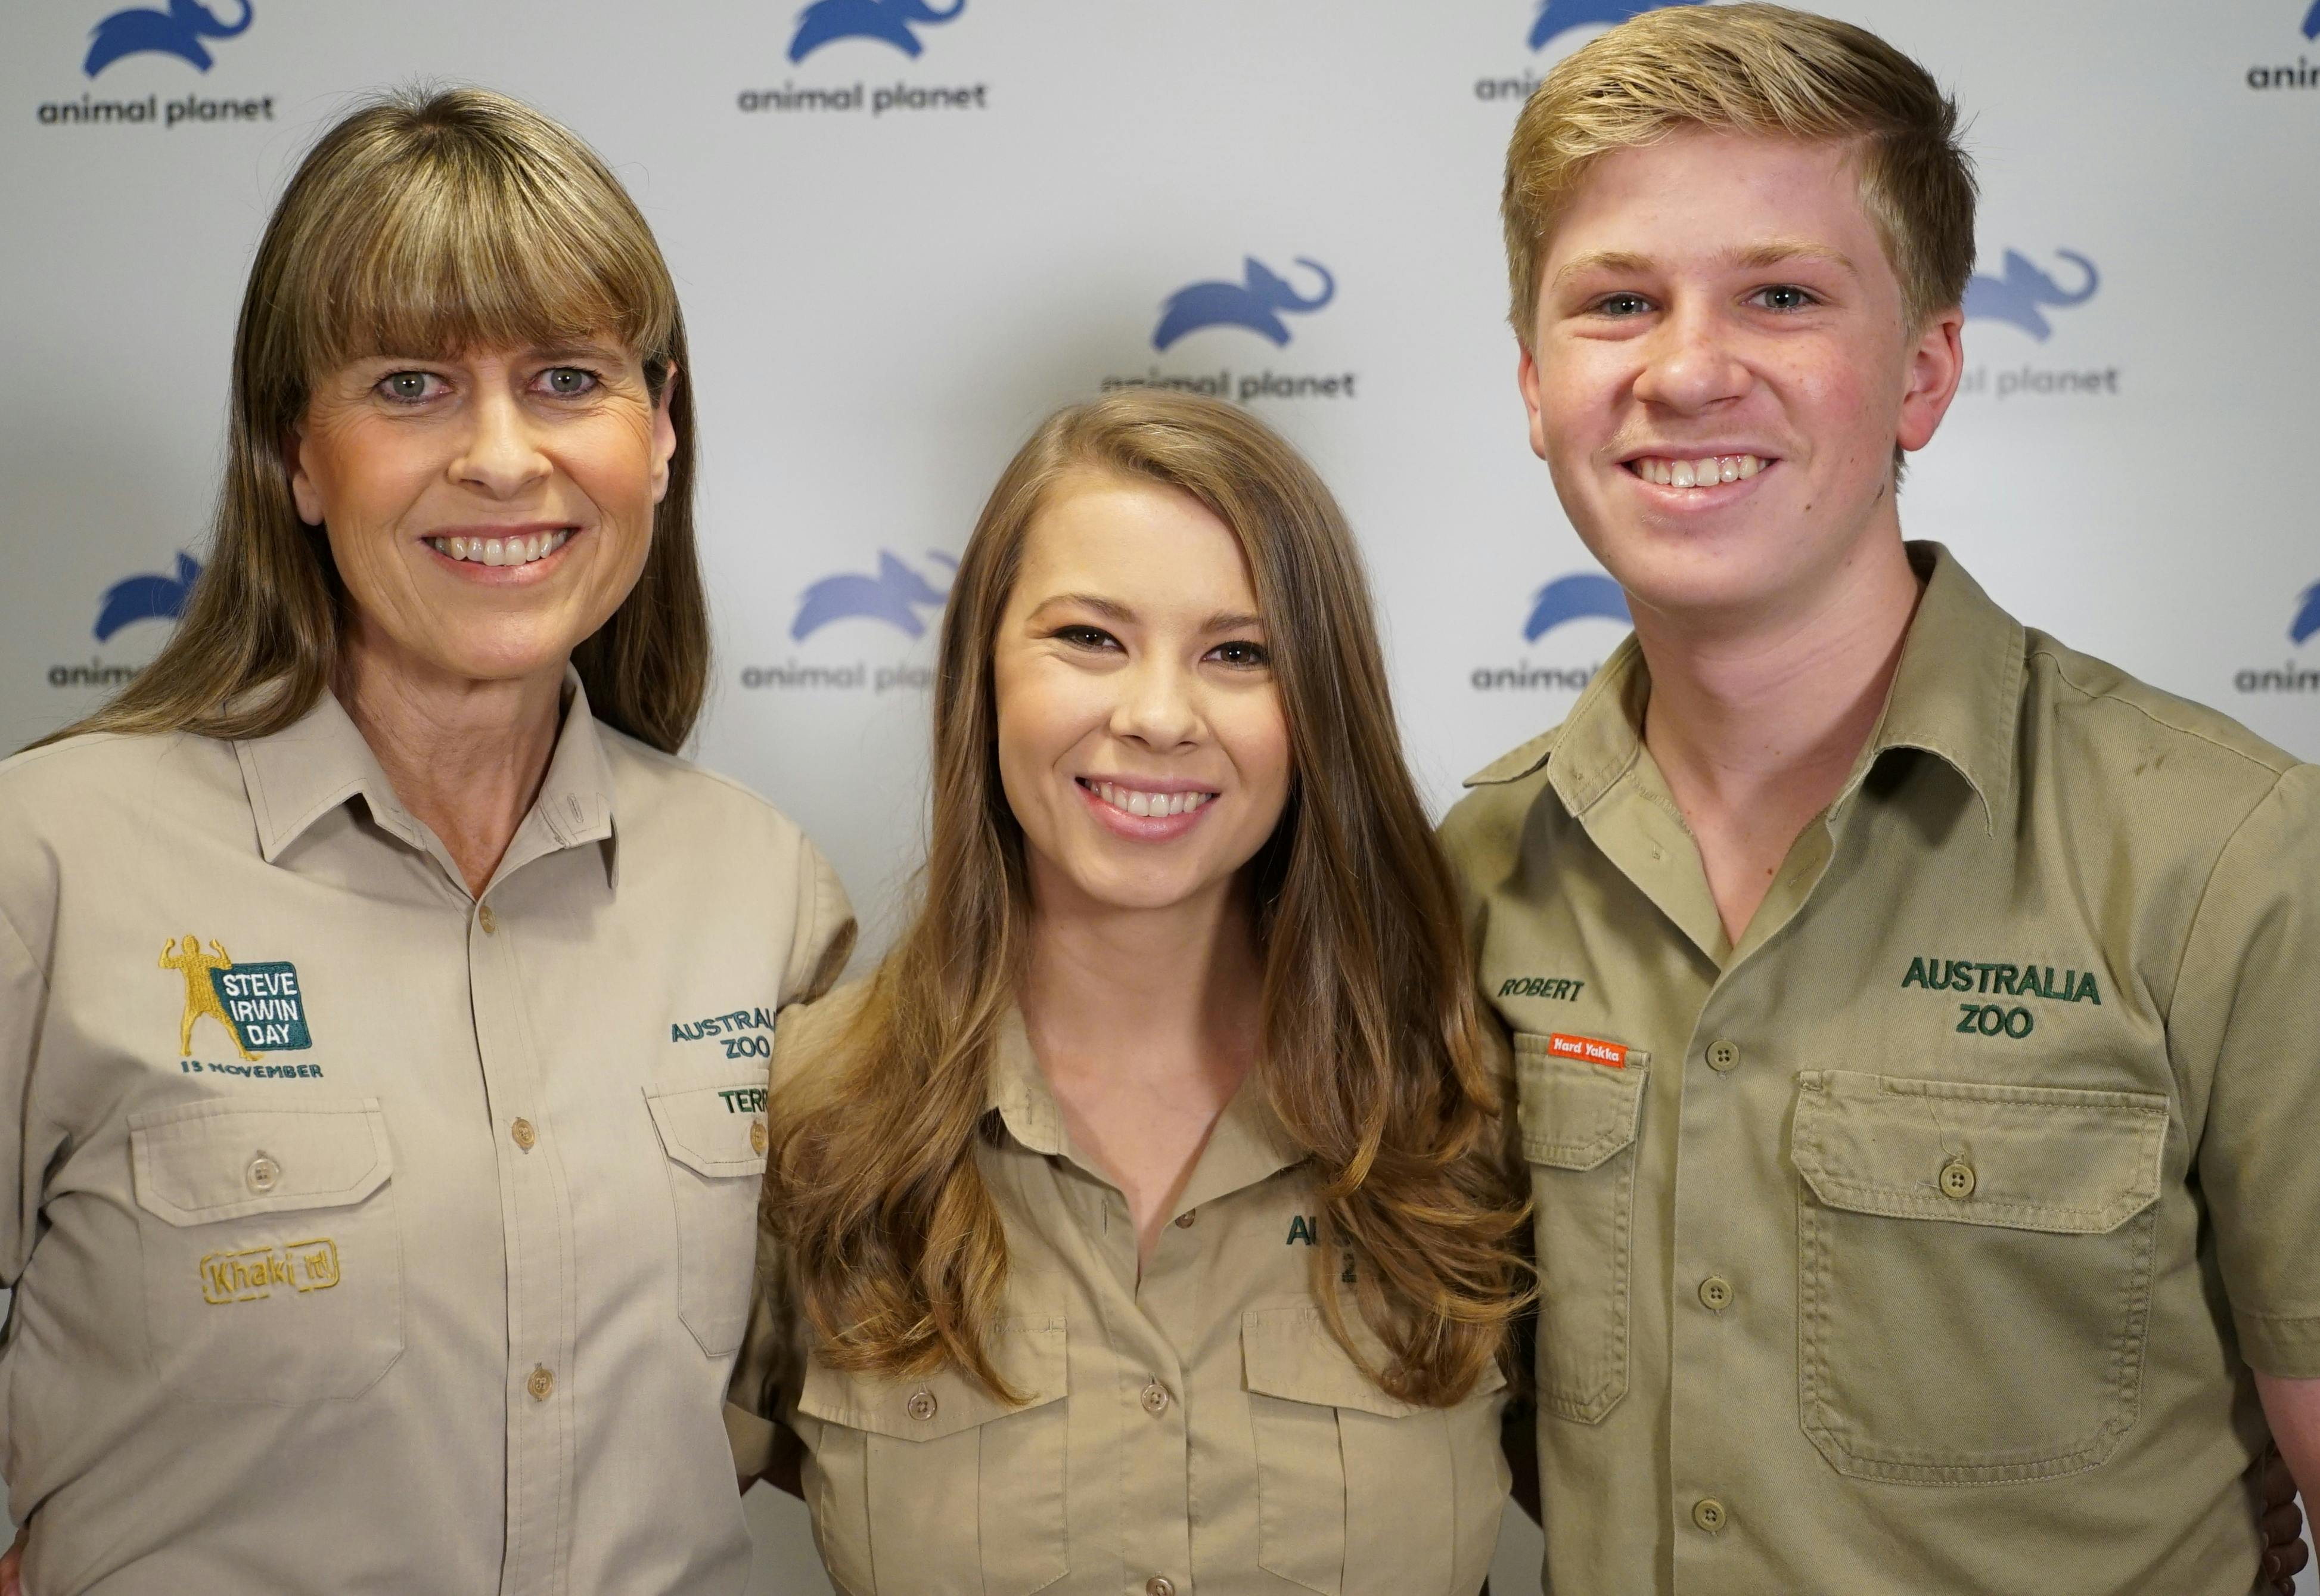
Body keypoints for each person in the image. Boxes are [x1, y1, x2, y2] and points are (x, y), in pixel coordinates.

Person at [1443, 6, 2319, 1592]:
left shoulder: (2235, 857)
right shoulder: (1474, 871)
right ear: (1530, 381)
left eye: (1779, 295)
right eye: (1616, 301)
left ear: (1921, 369)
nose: (1685, 368)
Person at [0, 88, 850, 1593]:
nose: (504, 457)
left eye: (568, 378)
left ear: (661, 434)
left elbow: (887, 1404)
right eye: (409, 386)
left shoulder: (763, 892)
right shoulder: (45, 865)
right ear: (296, 455)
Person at [725, 391, 1530, 1596]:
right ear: (982, 675)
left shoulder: (1472, 1109)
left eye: (1239, 653)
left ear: (1316, 708)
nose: (1157, 715)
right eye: (1090, 637)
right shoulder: (812, 1114)